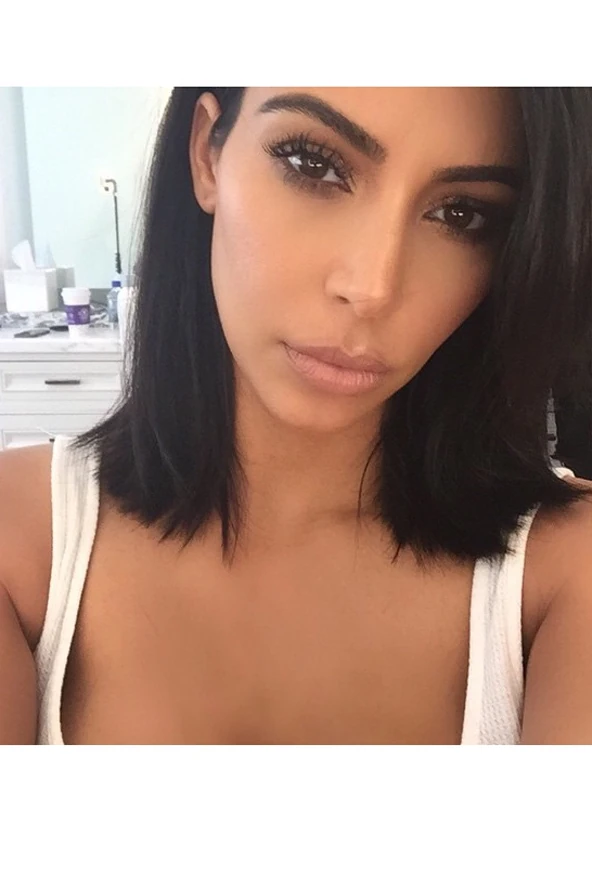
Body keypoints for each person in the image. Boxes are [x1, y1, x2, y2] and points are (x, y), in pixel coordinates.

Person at [2, 87, 592, 745]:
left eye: (461, 213)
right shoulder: (20, 545)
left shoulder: (566, 574)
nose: (372, 288)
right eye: (314, 164)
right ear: (206, 154)